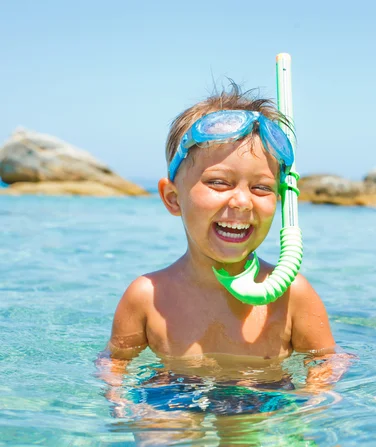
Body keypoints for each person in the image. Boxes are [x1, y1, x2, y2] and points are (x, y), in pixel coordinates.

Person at [96, 84, 349, 437]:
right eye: (218, 182)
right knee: (159, 434)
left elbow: (327, 360)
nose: (242, 202)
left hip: (261, 394)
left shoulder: (292, 294)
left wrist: (314, 400)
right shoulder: (147, 296)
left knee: (247, 434)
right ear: (172, 198)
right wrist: (119, 398)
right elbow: (114, 361)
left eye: (261, 188)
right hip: (173, 392)